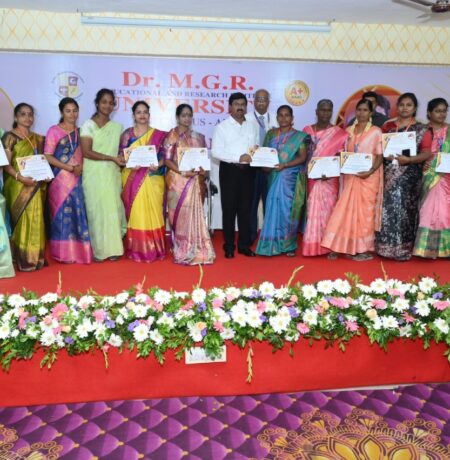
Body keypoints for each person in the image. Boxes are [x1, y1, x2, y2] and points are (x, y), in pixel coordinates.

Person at [322, 99, 383, 261]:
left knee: (364, 214)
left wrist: (370, 171)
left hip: (368, 177)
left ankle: (360, 249)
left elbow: (379, 156)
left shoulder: (376, 132)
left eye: (365, 110)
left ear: (371, 113)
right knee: (344, 211)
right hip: (349, 177)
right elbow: (341, 153)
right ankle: (339, 245)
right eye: (359, 110)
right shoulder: (348, 131)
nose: (361, 113)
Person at [375, 93, 430, 261]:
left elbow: (426, 152)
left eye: (409, 105)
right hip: (389, 172)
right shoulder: (388, 127)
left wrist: (410, 160)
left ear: (414, 108)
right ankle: (385, 247)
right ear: (397, 107)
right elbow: (380, 150)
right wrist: (385, 155)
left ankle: (404, 248)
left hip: (410, 175)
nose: (404, 108)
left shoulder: (422, 129)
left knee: (406, 211)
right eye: (401, 105)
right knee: (388, 209)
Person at [164, 104, 215, 265]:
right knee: (178, 216)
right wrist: (183, 171)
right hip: (177, 181)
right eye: (183, 115)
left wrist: (202, 170)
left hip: (195, 182)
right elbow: (167, 160)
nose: (187, 118)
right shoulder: (172, 136)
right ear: (177, 117)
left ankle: (196, 247)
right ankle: (181, 247)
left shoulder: (199, 137)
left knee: (193, 215)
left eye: (189, 115)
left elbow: (203, 160)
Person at [44, 97, 92, 264]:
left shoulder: (81, 131)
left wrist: (80, 167)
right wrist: (70, 168)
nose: (72, 114)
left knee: (78, 213)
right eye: (68, 111)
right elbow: (48, 156)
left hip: (78, 178)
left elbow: (86, 153)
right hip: (60, 180)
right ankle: (62, 254)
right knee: (61, 215)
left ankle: (80, 253)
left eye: (75, 110)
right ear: (62, 112)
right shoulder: (54, 131)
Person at [80, 88, 126, 262]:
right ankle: (99, 250)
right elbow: (86, 152)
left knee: (113, 209)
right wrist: (111, 158)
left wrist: (121, 158)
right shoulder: (88, 125)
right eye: (104, 102)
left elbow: (121, 152)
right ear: (97, 103)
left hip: (112, 174)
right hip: (93, 174)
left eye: (111, 103)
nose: (107, 105)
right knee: (96, 211)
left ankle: (114, 249)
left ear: (114, 106)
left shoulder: (117, 128)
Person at [256, 105, 308, 256]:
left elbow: (302, 157)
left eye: (287, 115)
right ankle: (270, 243)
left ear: (292, 118)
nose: (283, 118)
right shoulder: (271, 134)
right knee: (272, 207)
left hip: (290, 180)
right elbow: (264, 154)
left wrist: (285, 165)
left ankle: (288, 245)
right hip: (273, 177)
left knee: (288, 211)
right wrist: (265, 166)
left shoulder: (299, 136)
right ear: (277, 117)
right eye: (280, 115)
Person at [212, 92, 259, 258]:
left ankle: (244, 246)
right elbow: (216, 152)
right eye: (237, 104)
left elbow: (255, 147)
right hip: (230, 171)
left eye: (243, 104)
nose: (240, 107)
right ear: (230, 107)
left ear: (246, 106)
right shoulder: (222, 127)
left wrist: (257, 155)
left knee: (246, 210)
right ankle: (229, 246)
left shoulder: (252, 126)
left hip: (249, 172)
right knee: (229, 210)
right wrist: (238, 157)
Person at [120, 100, 166, 262]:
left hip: (153, 179)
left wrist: (158, 164)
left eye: (145, 112)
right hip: (132, 177)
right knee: (137, 214)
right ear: (133, 115)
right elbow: (121, 157)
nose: (142, 115)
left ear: (149, 115)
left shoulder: (159, 135)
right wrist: (129, 163)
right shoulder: (127, 135)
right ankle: (138, 249)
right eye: (138, 112)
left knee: (154, 212)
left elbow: (165, 158)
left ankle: (156, 248)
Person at [2, 103, 47, 271]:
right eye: (23, 114)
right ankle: (22, 258)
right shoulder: (9, 137)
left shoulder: (38, 138)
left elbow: (41, 161)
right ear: (16, 117)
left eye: (30, 114)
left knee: (36, 218)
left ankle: (35, 258)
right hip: (17, 183)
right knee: (22, 220)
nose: (27, 117)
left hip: (35, 183)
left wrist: (45, 174)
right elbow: (5, 164)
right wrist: (20, 178)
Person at [302, 99, 348, 257]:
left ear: (332, 112)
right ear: (316, 111)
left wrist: (330, 168)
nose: (325, 113)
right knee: (312, 210)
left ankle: (330, 245)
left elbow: (341, 156)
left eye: (328, 110)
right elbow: (303, 154)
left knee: (330, 211)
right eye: (322, 110)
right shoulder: (307, 131)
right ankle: (313, 245)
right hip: (312, 177)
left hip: (330, 178)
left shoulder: (340, 134)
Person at [413, 98, 449, 258]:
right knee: (428, 211)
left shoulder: (449, 131)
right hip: (428, 175)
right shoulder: (422, 130)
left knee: (445, 212)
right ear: (429, 113)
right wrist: (422, 164)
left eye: (444, 111)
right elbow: (415, 152)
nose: (442, 114)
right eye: (438, 111)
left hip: (446, 176)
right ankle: (426, 248)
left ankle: (445, 249)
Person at [246, 89, 278, 245]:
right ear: (253, 101)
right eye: (258, 99)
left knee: (270, 202)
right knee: (251, 203)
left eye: (264, 99)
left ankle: (268, 235)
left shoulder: (276, 120)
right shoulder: (245, 119)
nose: (261, 102)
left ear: (268, 102)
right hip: (252, 168)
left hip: (271, 168)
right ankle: (251, 235)